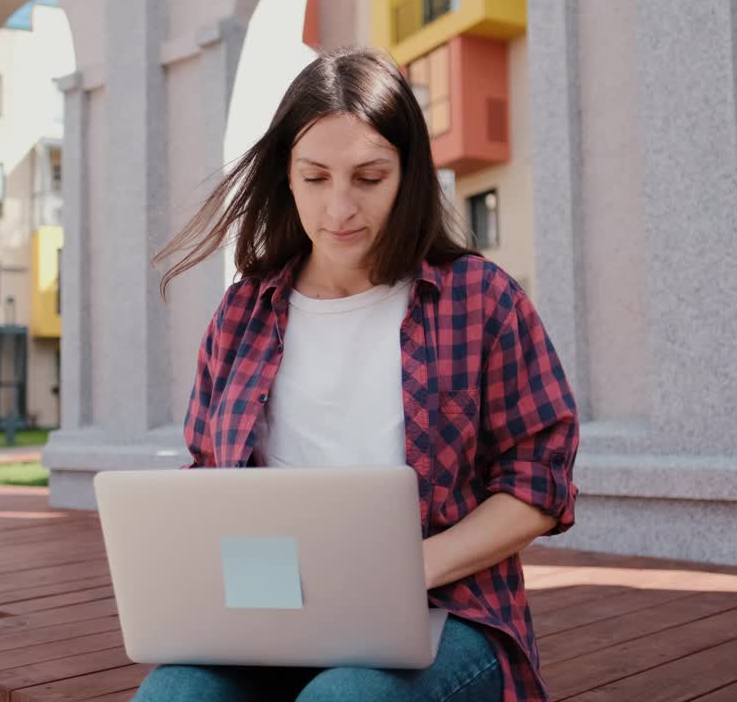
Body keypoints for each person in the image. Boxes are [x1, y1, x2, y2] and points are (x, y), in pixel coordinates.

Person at [136, 46, 579, 702]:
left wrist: (409, 570)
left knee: (344, 697)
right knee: (173, 696)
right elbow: (207, 482)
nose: (339, 208)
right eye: (315, 178)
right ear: (286, 177)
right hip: (271, 618)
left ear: (409, 176)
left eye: (368, 177)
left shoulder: (480, 299)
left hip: (444, 612)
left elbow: (540, 483)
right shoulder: (241, 314)